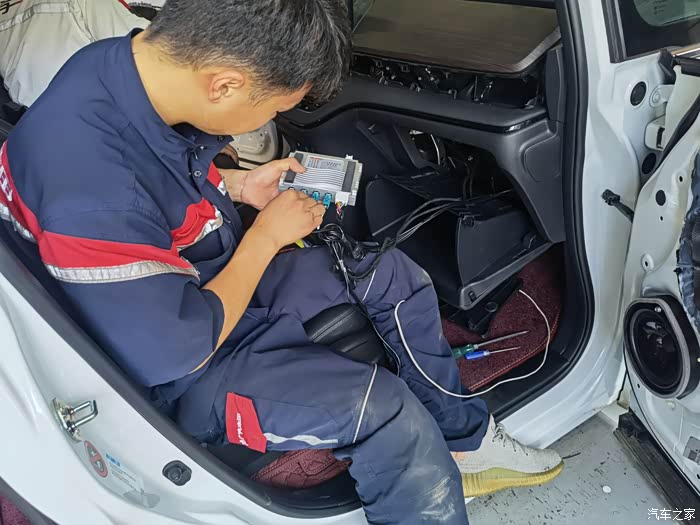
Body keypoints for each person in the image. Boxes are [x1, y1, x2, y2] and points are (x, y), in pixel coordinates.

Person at [0, 1, 563, 523]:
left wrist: (239, 186)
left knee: (392, 275)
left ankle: (466, 440)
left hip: (196, 276)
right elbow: (175, 350)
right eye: (272, 107)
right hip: (180, 363)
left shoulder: (118, 64)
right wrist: (265, 238)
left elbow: (159, 178)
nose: (265, 121)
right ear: (225, 84)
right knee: (385, 411)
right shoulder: (93, 192)